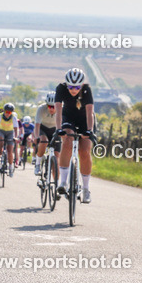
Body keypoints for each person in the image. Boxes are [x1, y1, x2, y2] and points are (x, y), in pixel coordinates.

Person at [53, 67, 95, 203]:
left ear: (81, 85)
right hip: (68, 117)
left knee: (84, 151)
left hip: (84, 120)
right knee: (67, 142)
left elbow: (90, 113)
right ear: (66, 84)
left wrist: (89, 130)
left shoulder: (87, 90)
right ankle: (63, 182)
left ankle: (86, 188)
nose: (73, 90)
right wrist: (58, 129)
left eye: (77, 87)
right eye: (70, 86)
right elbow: (58, 111)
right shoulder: (60, 88)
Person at [34, 92, 59, 179]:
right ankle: (38, 164)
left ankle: (56, 183)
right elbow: (37, 125)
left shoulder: (62, 109)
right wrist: (37, 137)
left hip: (55, 130)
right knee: (44, 141)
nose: (51, 109)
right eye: (49, 106)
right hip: (43, 128)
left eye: (54, 106)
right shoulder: (41, 108)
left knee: (57, 156)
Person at [0, 103, 19, 176]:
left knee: (10, 150)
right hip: (0, 131)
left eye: (9, 112)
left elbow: (16, 128)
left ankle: (10, 167)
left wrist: (16, 137)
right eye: (6, 112)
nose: (8, 114)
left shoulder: (13, 117)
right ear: (4, 111)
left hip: (10, 132)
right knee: (0, 142)